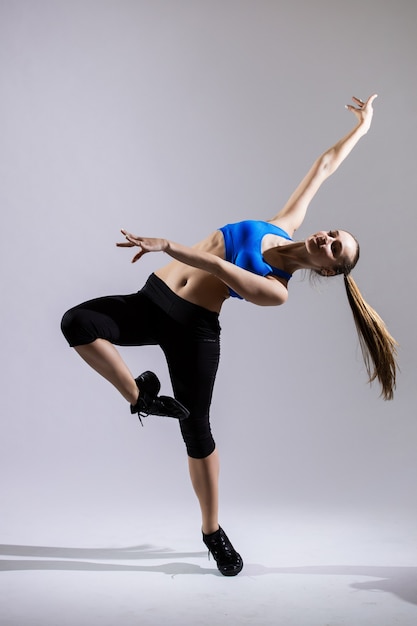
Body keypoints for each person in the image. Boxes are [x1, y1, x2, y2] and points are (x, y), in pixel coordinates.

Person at [61, 94, 397, 577]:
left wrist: (166, 244)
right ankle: (140, 397)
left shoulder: (276, 290)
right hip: (153, 299)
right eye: (334, 233)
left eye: (335, 249)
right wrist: (363, 128)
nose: (327, 238)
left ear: (327, 270)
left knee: (197, 433)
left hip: (193, 330)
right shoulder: (284, 224)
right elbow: (324, 166)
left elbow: (219, 267)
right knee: (77, 323)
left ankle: (212, 530)